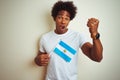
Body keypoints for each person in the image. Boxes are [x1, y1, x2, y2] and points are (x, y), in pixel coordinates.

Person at [35, 1, 103, 80]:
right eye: (60, 17)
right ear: (55, 18)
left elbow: (98, 58)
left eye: (66, 18)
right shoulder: (45, 38)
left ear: (69, 20)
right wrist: (38, 60)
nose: (63, 22)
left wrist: (95, 34)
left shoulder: (77, 36)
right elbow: (38, 58)